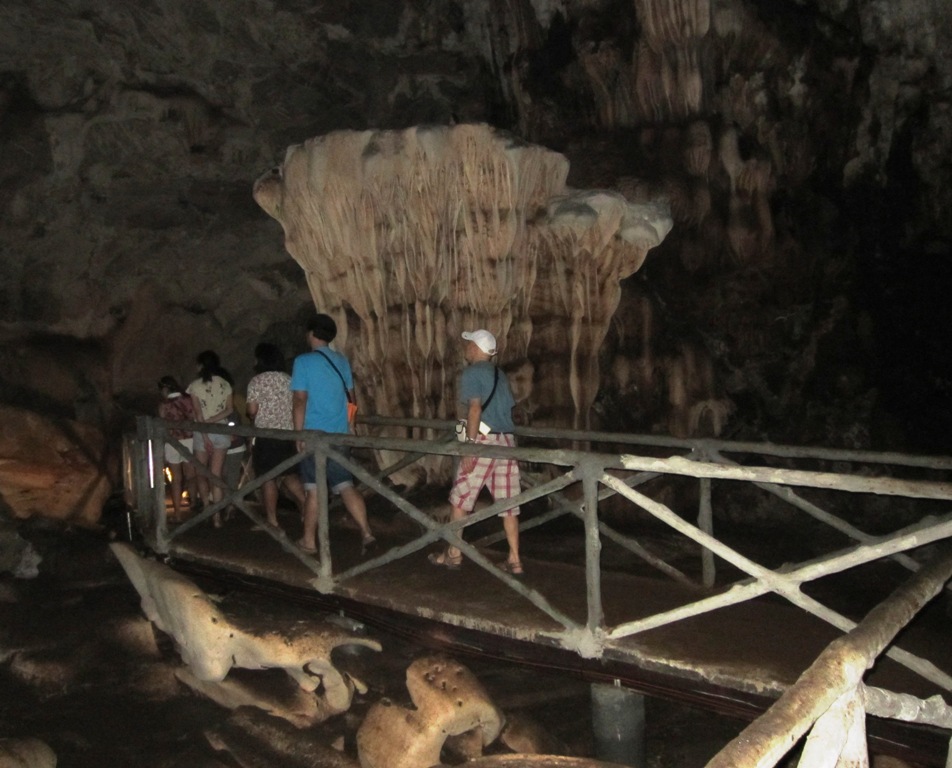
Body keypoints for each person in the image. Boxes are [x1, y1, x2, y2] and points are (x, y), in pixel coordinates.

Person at [430, 329, 524, 575]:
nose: (466, 347)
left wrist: (470, 446)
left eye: (469, 343)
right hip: (505, 442)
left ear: (476, 348)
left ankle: (454, 553)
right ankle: (514, 559)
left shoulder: (472, 373)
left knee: (460, 498)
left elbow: (474, 410)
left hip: (482, 441)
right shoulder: (500, 375)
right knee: (509, 503)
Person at [291, 313, 375, 554]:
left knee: (314, 489)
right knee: (345, 484)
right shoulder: (341, 361)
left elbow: (299, 399)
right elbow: (351, 397)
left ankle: (308, 541)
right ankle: (367, 531)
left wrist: (297, 434)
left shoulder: (303, 361)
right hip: (338, 434)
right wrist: (349, 425)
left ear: (310, 334)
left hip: (314, 436)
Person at [246, 342, 305, 530]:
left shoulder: (257, 381)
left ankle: (272, 520)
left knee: (267, 478)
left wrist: (251, 413)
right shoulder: (289, 380)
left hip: (266, 437)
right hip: (287, 435)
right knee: (290, 476)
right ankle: (308, 509)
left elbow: (252, 410)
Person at [186, 349, 234, 527]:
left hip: (201, 432)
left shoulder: (195, 386)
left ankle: (207, 507)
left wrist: (205, 434)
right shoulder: (225, 384)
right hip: (221, 430)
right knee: (216, 475)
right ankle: (216, 516)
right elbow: (230, 409)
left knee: (201, 473)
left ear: (200, 365)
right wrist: (214, 420)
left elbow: (198, 413)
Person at [157, 376, 197, 519]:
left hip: (172, 442)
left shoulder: (164, 405)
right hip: (190, 440)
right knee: (191, 475)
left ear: (165, 389)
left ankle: (178, 512)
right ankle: (193, 503)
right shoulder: (188, 400)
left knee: (176, 478)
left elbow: (162, 424)